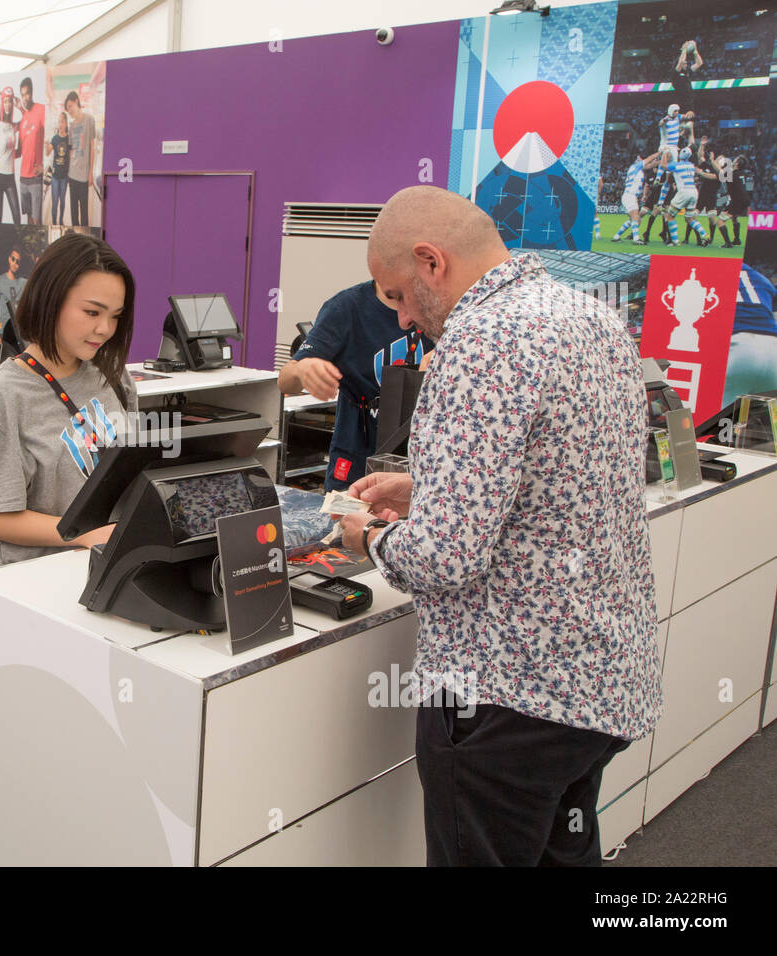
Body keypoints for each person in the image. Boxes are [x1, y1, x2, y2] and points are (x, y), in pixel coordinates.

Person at [339, 186, 661, 867]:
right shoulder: (588, 316)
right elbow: (560, 482)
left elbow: (443, 561)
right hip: (596, 681)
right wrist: (428, 485)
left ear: (432, 261)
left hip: (504, 697)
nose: (400, 318)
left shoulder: (481, 340)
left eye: (397, 295)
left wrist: (367, 536)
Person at [0, 232, 138, 567]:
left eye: (116, 315)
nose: (105, 328)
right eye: (91, 312)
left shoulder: (114, 376)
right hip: (32, 581)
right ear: (50, 300)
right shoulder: (2, 396)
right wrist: (82, 534)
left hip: (108, 567)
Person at [277, 281, 431, 490]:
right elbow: (285, 381)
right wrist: (302, 369)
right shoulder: (346, 308)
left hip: (422, 459)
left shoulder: (439, 303)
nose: (405, 321)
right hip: (356, 454)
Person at [723, 263, 777, 406]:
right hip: (773, 350)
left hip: (737, 350)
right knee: (761, 424)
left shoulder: (708, 268)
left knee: (710, 423)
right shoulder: (759, 277)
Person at [609, 151, 660, 245]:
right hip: (630, 196)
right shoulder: (636, 167)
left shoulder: (636, 168)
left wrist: (661, 161)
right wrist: (660, 152)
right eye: (640, 159)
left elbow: (650, 165)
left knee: (632, 219)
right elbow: (650, 159)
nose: (642, 160)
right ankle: (636, 239)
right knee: (636, 217)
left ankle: (616, 236)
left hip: (630, 196)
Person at [16, 77, 46, 225]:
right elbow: (20, 150)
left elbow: (52, 136)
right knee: (27, 222)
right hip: (22, 178)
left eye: (27, 93)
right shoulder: (23, 119)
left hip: (35, 178)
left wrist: (44, 165)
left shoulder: (41, 110)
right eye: (22, 94)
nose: (25, 97)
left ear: (32, 93)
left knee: (36, 221)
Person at [64, 91, 97, 227]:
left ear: (77, 102)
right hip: (72, 174)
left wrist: (90, 173)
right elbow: (71, 150)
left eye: (70, 106)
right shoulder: (71, 126)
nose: (69, 110)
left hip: (84, 175)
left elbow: (92, 147)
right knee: (73, 212)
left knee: (84, 212)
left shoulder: (89, 119)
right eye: (68, 109)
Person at [0, 86, 21, 224]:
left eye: (10, 101)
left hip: (10, 176)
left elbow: (26, 118)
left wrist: (18, 105)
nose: (8, 105)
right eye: (5, 101)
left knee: (17, 216)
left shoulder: (13, 126)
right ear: (2, 104)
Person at [0, 246, 26, 360]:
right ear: (9, 259)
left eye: (18, 261)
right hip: (3, 333)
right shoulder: (0, 280)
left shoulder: (24, 282)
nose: (15, 263)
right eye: (13, 259)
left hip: (19, 333)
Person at [47, 111, 72, 226]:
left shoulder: (69, 139)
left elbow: (70, 158)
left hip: (64, 176)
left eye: (62, 121)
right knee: (54, 202)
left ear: (66, 123)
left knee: (62, 201)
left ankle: (61, 220)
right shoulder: (54, 139)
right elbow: (48, 152)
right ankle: (53, 222)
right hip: (55, 176)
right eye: (59, 121)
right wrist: (46, 145)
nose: (60, 124)